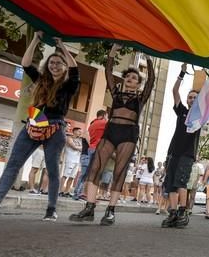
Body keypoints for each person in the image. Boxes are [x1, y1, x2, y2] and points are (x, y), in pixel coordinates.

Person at [0, 32, 79, 221]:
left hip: (56, 128)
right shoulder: (41, 80)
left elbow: (75, 70)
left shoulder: (69, 85)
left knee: (52, 169)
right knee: (13, 163)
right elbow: (26, 64)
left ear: (65, 66)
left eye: (59, 63)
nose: (54, 65)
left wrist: (62, 47)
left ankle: (51, 208)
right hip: (34, 123)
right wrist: (35, 39)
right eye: (51, 62)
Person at [70, 43, 155, 225]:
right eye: (128, 77)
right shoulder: (116, 91)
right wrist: (113, 52)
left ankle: (110, 211)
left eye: (135, 78)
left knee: (119, 172)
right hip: (111, 131)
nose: (131, 79)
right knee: (94, 168)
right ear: (124, 79)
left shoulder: (140, 97)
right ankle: (89, 208)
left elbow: (151, 81)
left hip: (129, 134)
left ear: (138, 84)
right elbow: (108, 71)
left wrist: (148, 58)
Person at [161, 63, 203, 228]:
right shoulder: (182, 111)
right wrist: (182, 74)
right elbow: (174, 91)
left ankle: (182, 212)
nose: (192, 99)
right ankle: (172, 213)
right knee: (170, 184)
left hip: (187, 155)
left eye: (195, 97)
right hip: (173, 153)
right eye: (190, 97)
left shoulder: (200, 115)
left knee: (181, 183)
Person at [74, 110, 107, 200]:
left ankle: (79, 193)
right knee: (85, 175)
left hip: (86, 154)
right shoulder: (87, 133)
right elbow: (90, 144)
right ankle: (78, 193)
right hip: (86, 155)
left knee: (85, 175)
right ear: (104, 115)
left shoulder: (91, 128)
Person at [60, 127, 84, 197]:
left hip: (77, 160)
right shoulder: (69, 138)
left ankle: (66, 191)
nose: (80, 133)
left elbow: (82, 148)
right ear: (74, 131)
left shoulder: (80, 140)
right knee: (65, 175)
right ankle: (61, 190)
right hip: (70, 159)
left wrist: (80, 148)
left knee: (72, 177)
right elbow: (74, 147)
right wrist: (81, 148)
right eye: (79, 131)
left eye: (81, 131)